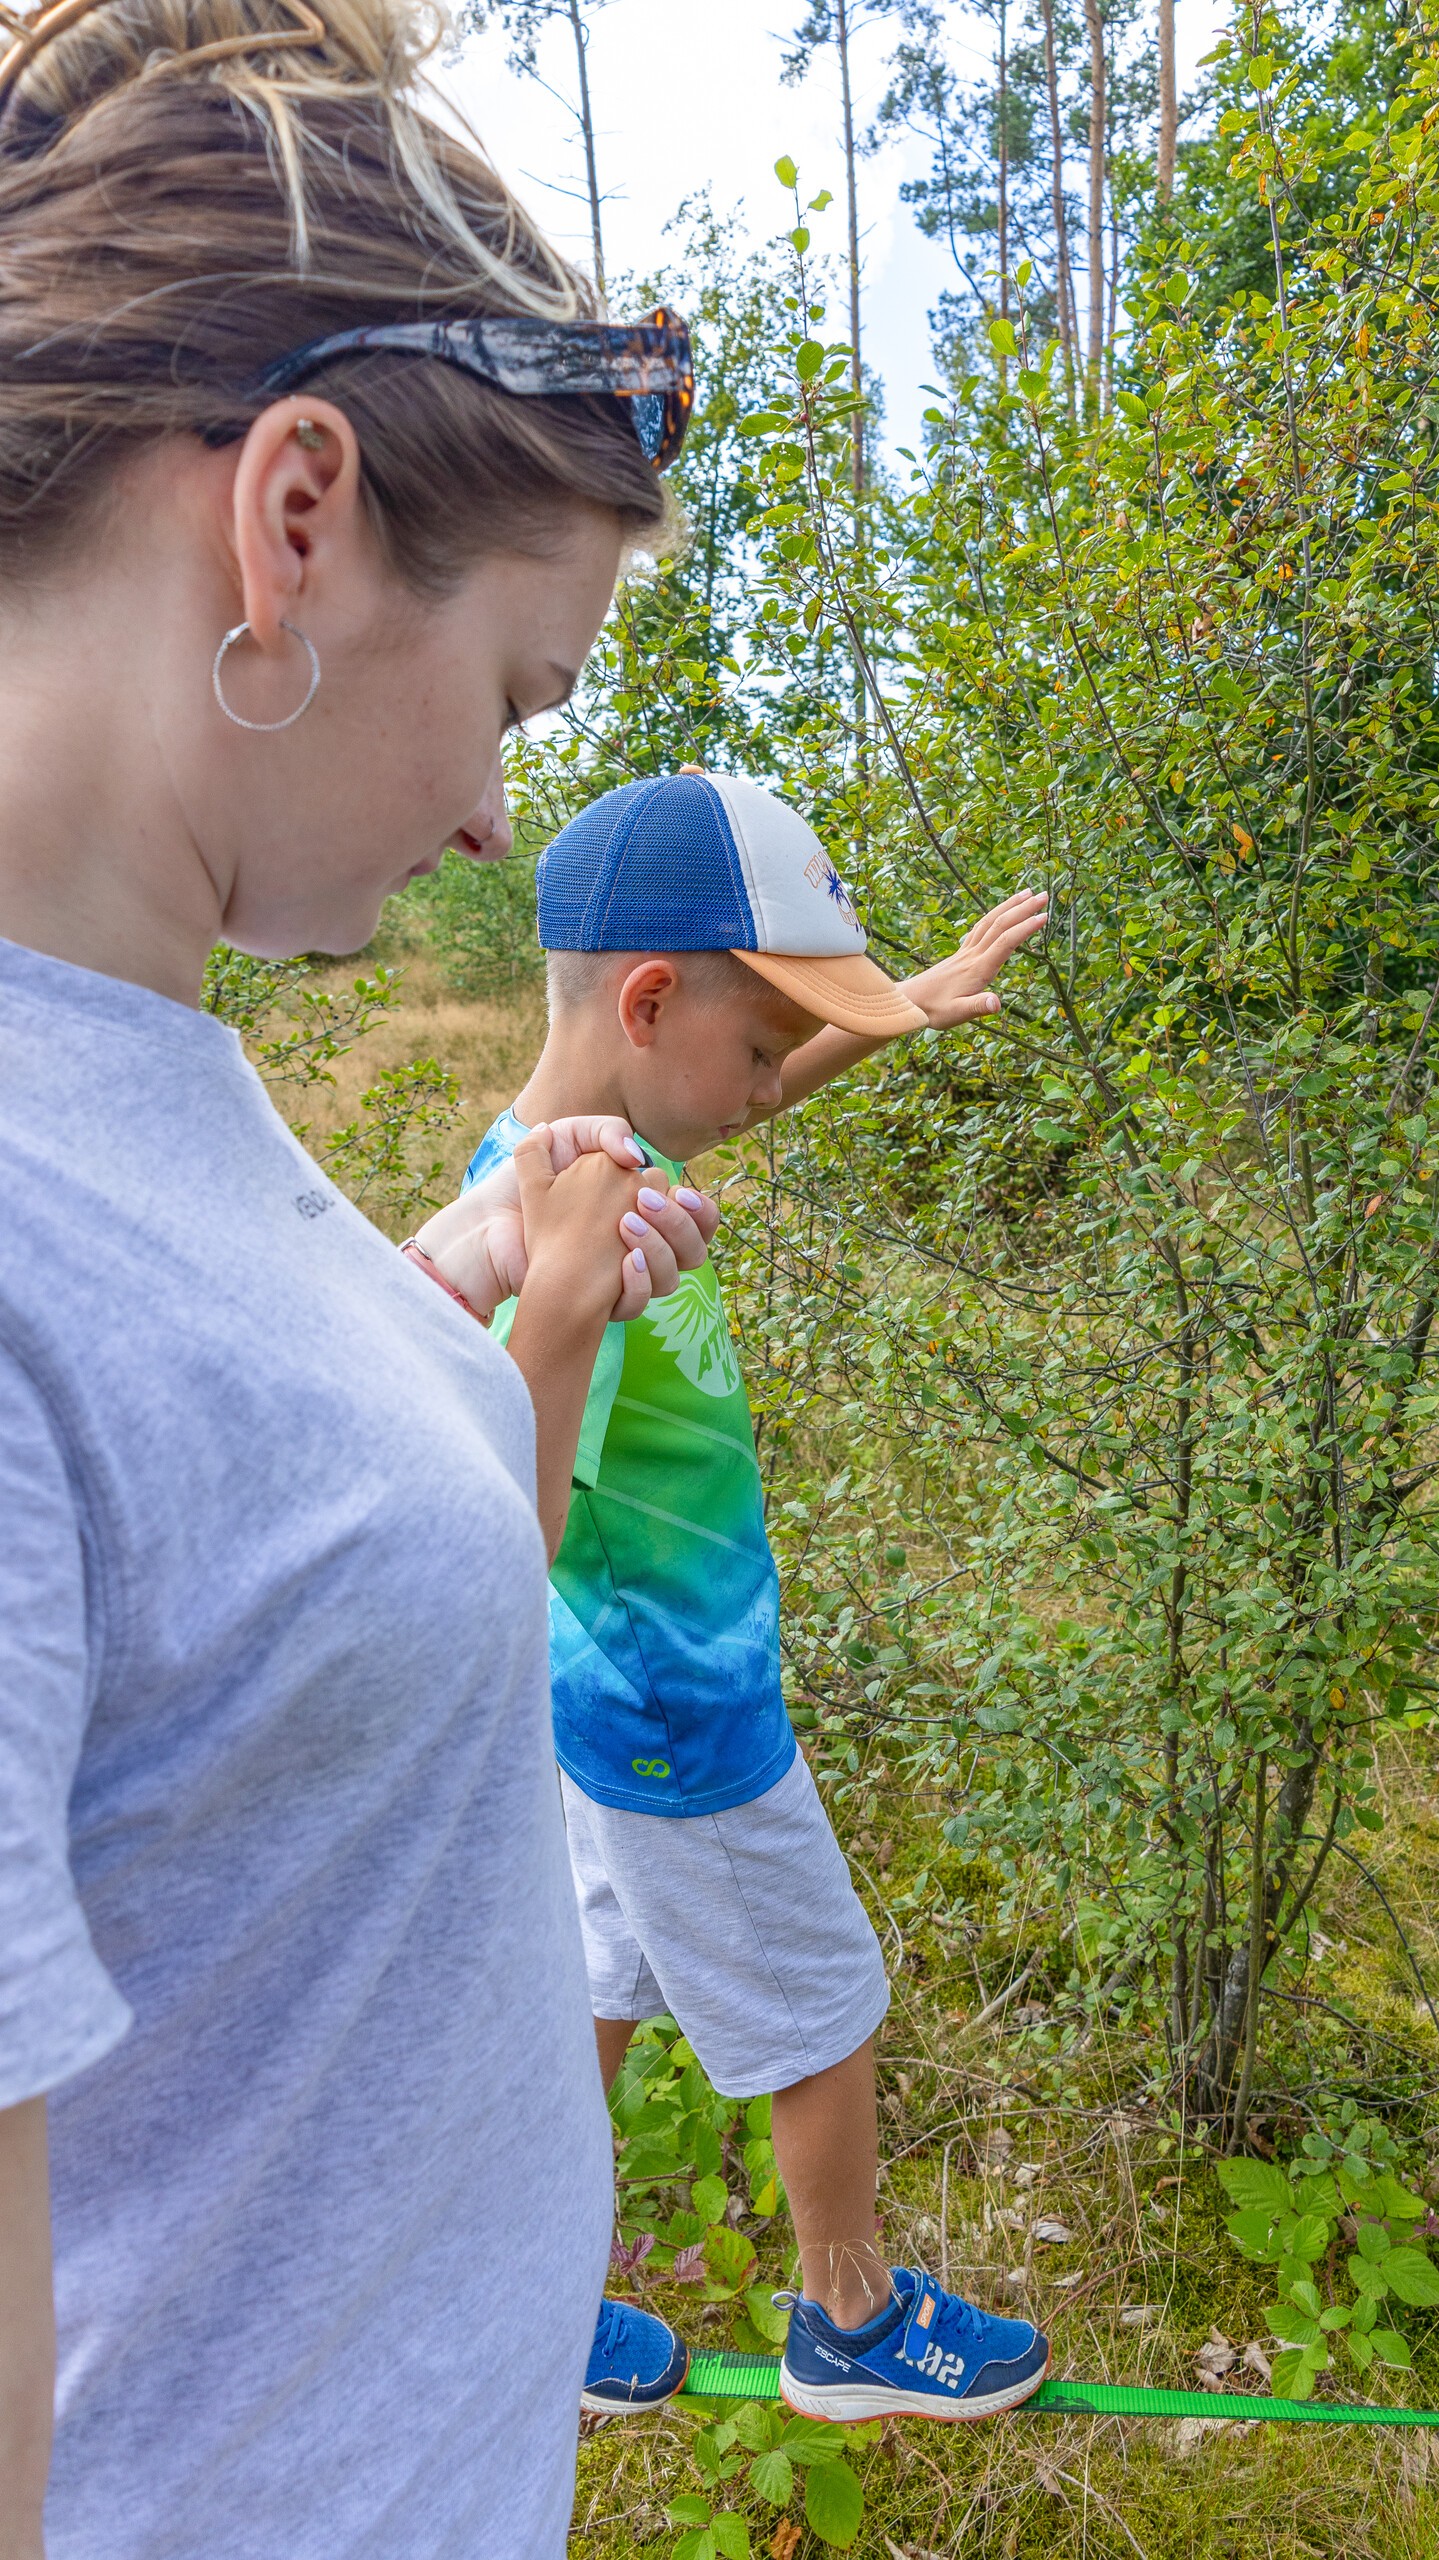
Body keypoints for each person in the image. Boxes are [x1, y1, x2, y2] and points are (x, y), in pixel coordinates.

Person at [0, 2, 716, 2552]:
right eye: (517, 688)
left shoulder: (142, 1074)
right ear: (293, 518)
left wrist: (480, 1314)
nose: (498, 808)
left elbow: (245, 1668)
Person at [464, 767, 1053, 2423]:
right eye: (764, 1044)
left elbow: (736, 1097)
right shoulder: (556, 1245)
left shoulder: (572, 1158)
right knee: (823, 2002)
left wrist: (898, 1009)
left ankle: (514, 2291)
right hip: (682, 1711)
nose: (770, 1087)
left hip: (607, 1705)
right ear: (650, 1004)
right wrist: (561, 1319)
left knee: (596, 1986)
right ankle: (849, 2321)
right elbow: (503, 1510)